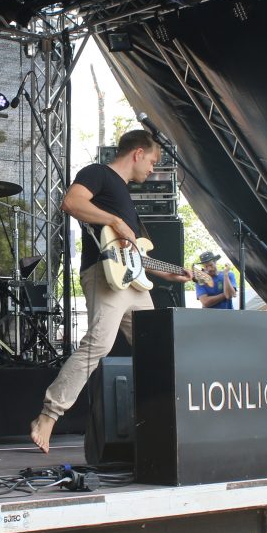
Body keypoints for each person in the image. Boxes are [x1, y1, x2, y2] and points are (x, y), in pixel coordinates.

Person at [30, 130, 192, 453]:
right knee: (99, 345)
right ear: (137, 153)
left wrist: (173, 273)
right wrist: (116, 221)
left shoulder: (126, 198)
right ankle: (48, 415)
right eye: (152, 161)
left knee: (156, 347)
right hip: (103, 276)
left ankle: (165, 422)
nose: (152, 170)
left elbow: (137, 258)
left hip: (131, 283)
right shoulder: (98, 173)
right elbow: (71, 202)